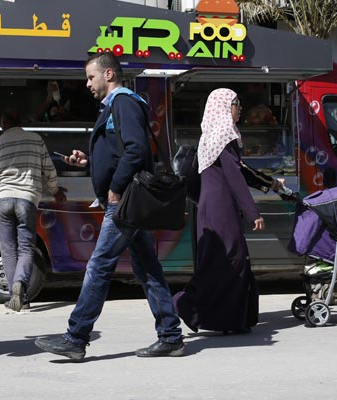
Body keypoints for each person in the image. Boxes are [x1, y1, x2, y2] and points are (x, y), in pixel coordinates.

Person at [34, 52, 184, 360]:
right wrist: (89, 161)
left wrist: (115, 188)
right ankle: (170, 335)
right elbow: (122, 152)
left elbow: (136, 150)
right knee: (148, 270)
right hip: (128, 201)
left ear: (109, 75)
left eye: (91, 77)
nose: (87, 84)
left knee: (98, 266)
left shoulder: (124, 102)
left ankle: (76, 338)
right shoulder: (117, 106)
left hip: (125, 202)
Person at [172, 88, 265, 334]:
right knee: (232, 259)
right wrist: (253, 212)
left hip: (209, 206)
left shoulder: (210, 136)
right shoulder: (225, 135)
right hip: (221, 207)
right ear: (224, 107)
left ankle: (229, 319)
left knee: (217, 262)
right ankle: (185, 304)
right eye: (236, 103)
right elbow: (235, 177)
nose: (240, 108)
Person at [0, 109, 67, 312]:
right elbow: (48, 169)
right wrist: (55, 190)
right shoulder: (35, 139)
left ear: (3, 123)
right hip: (26, 199)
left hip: (1, 199)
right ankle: (20, 287)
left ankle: (17, 294)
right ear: (20, 121)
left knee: (8, 249)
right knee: (25, 247)